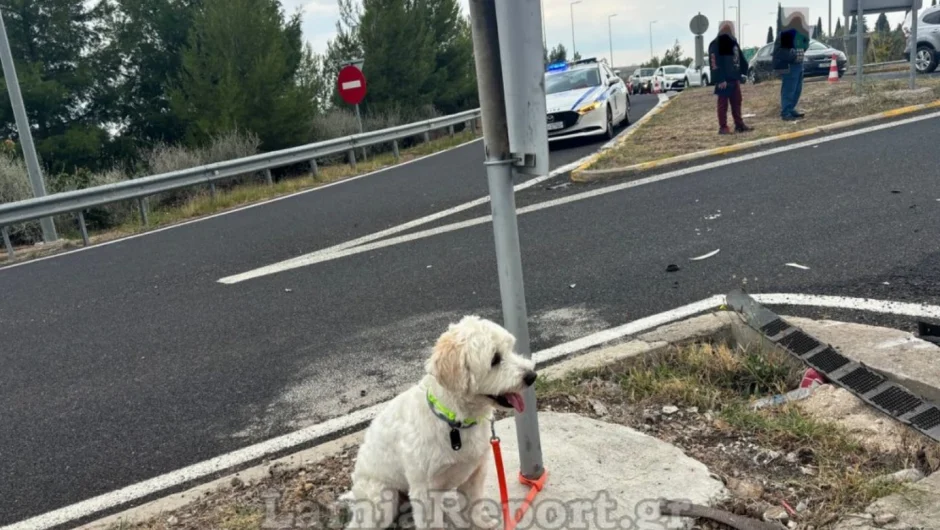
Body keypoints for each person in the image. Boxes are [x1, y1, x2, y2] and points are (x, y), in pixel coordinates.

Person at [708, 22, 752, 135]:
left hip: (734, 77)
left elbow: (739, 58)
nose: (731, 30)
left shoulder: (733, 42)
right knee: (723, 104)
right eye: (729, 28)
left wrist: (744, 71)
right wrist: (720, 79)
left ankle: (739, 125)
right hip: (724, 80)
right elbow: (715, 62)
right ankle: (723, 127)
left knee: (737, 101)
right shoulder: (717, 43)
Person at [774, 29, 805, 121]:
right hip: (790, 66)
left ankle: (791, 109)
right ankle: (786, 112)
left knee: (797, 89)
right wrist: (794, 56)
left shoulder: (798, 33)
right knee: (789, 90)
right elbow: (780, 51)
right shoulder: (786, 33)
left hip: (799, 64)